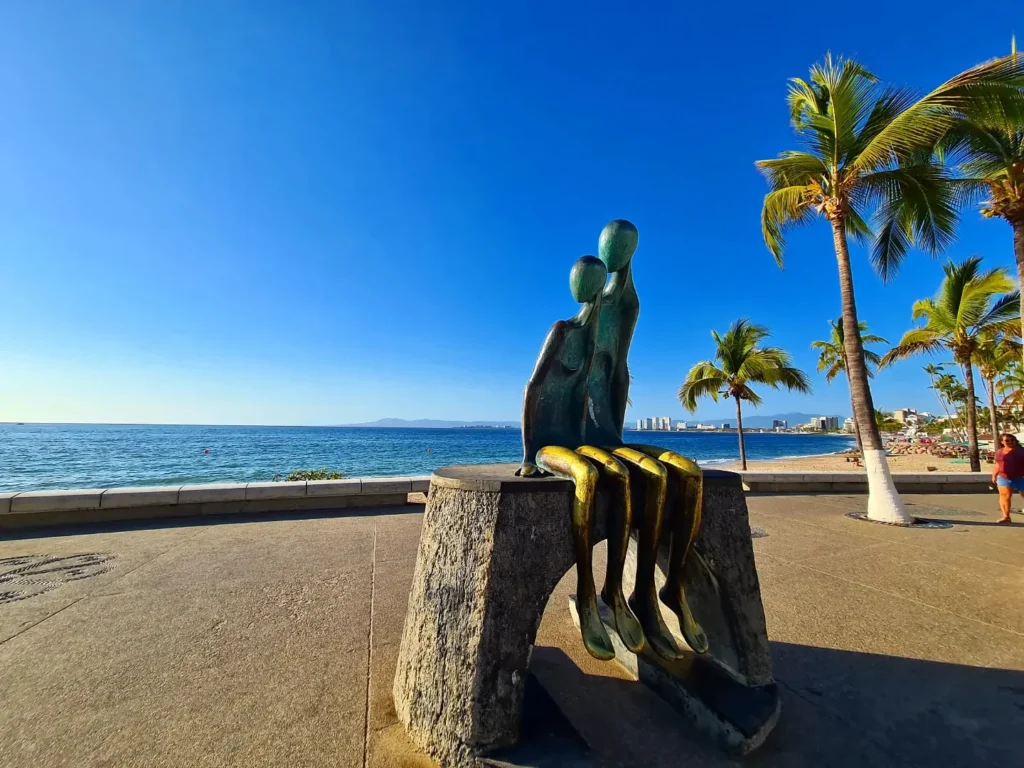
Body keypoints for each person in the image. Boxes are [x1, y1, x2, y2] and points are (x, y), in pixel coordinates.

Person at [991, 433, 1024, 524]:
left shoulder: (1022, 451)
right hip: (1004, 477)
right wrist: (994, 475)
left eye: (1012, 440)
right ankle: (1006, 517)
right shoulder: (999, 452)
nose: (1010, 442)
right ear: (1002, 442)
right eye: (1007, 440)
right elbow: (998, 464)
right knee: (1005, 497)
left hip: (1021, 477)